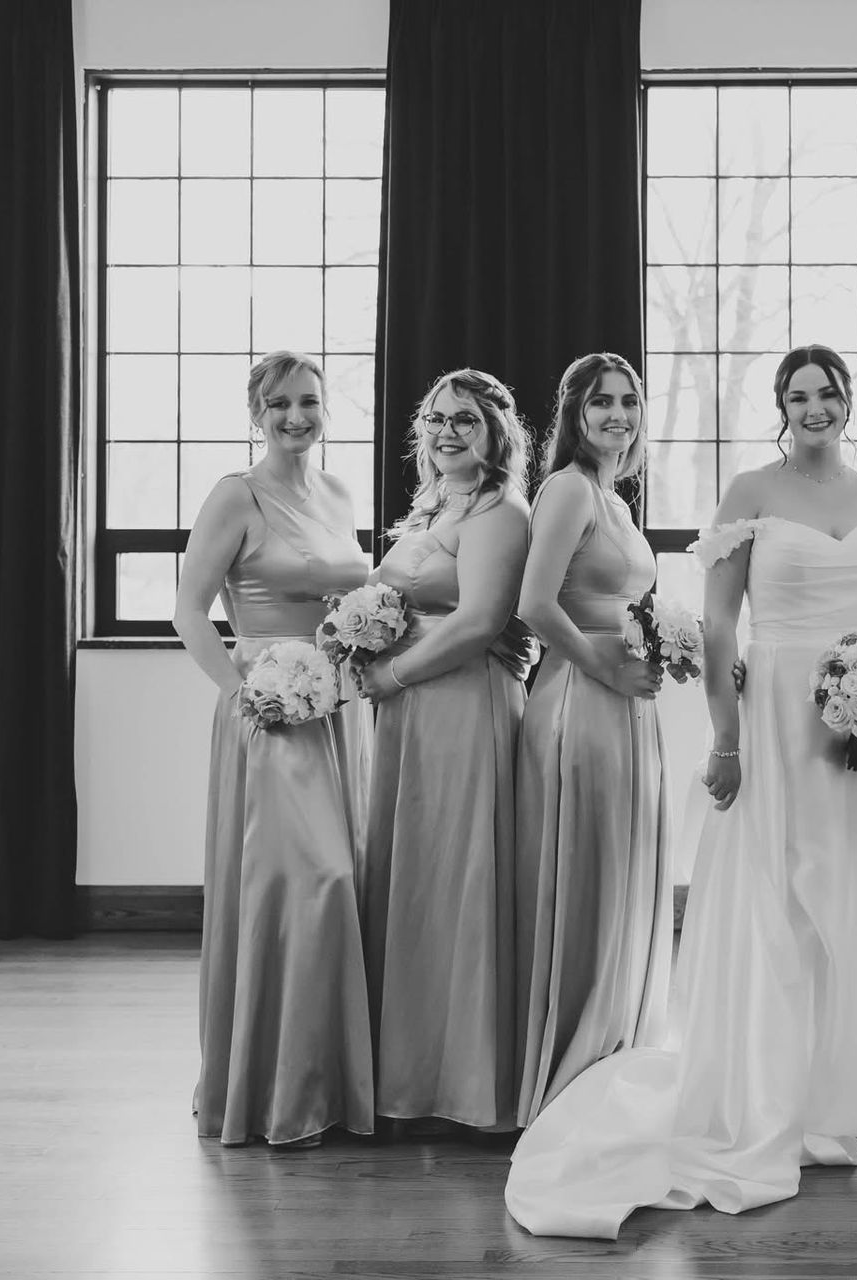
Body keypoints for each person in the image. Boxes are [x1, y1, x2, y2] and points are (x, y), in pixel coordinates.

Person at [505, 343, 857, 1239]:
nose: (814, 408)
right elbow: (721, 629)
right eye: (797, 396)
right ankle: (777, 1097)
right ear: (780, 408)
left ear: (847, 401)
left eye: (827, 393)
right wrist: (725, 738)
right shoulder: (749, 495)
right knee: (779, 905)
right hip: (774, 723)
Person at [173, 350, 373, 1149]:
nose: (297, 416)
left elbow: (355, 595)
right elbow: (188, 612)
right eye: (280, 403)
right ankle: (269, 1088)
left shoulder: (337, 493)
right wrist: (243, 691)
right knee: (305, 881)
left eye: (310, 402)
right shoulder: (236, 495)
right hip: (267, 703)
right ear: (256, 412)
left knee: (341, 882)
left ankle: (326, 1084)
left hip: (334, 704)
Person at [356, 368, 536, 1133]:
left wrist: (389, 672)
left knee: (459, 879)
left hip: (463, 705)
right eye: (435, 419)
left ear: (498, 432)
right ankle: (407, 1071)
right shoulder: (434, 504)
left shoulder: (501, 510)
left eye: (465, 419)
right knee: (416, 879)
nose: (447, 432)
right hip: (410, 713)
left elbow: (480, 621)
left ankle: (463, 1084)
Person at [512, 353, 673, 1126]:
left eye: (629, 402)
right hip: (579, 698)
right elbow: (535, 603)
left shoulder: (615, 497)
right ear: (574, 414)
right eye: (601, 402)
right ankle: (570, 1060)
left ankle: (613, 1042)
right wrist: (603, 668)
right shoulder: (570, 488)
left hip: (625, 701)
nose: (618, 415)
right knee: (585, 871)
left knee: (618, 870)